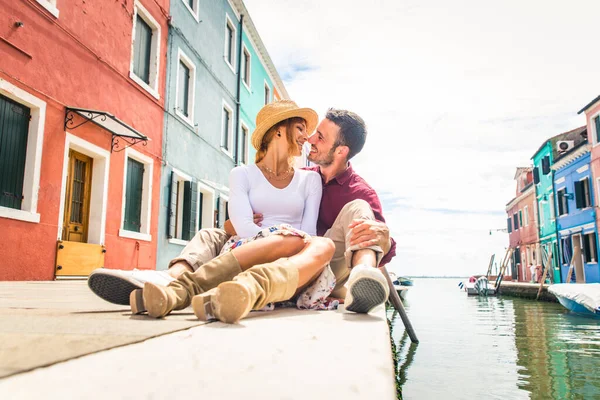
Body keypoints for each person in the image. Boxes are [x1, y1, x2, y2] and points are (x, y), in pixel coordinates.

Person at [88, 106, 396, 315]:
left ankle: (363, 277)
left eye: (319, 137)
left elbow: (382, 243)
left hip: (322, 255)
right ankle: (170, 279)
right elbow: (245, 219)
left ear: (341, 151)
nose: (309, 140)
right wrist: (239, 225)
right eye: (308, 132)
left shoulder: (357, 190)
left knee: (348, 218)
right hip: (282, 247)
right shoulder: (303, 175)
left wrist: (384, 236)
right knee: (213, 232)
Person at [129, 100, 341, 323]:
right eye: (300, 128)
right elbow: (244, 228)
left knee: (322, 244)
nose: (306, 137)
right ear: (279, 129)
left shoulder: (310, 179)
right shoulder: (242, 174)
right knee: (291, 238)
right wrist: (280, 237)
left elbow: (307, 233)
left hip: (295, 263)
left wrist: (284, 237)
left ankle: (200, 290)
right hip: (250, 250)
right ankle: (201, 292)